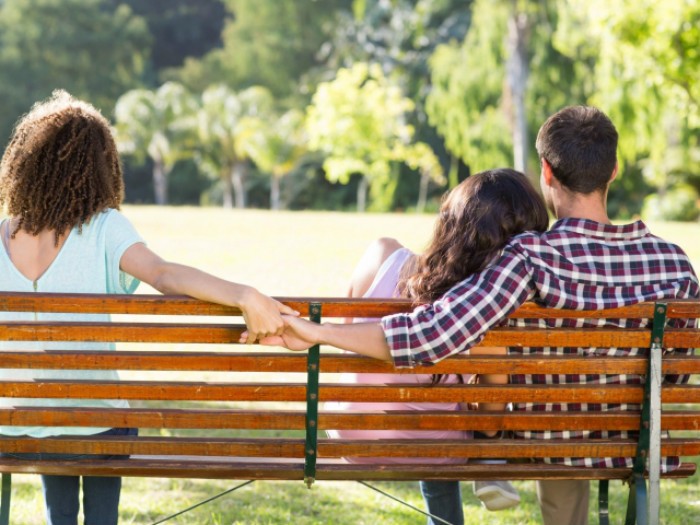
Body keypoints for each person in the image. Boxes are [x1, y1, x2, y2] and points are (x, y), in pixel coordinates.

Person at [254, 106, 700, 525]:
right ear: (614, 171)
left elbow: (431, 334)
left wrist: (319, 331)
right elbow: (678, 371)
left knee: (554, 424)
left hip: (549, 440)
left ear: (547, 172)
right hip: (636, 443)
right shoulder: (674, 264)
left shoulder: (529, 257)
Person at [0, 90, 297, 525]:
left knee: (54, 430)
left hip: (15, 430)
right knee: (88, 423)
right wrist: (243, 294)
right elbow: (163, 274)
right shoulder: (103, 228)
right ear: (98, 168)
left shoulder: (4, 234)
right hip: (94, 429)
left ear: (28, 163)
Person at [328, 169, 549, 523]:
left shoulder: (381, 253)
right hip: (434, 448)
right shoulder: (484, 310)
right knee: (443, 422)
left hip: (350, 431)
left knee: (434, 416)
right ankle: (482, 474)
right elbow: (491, 419)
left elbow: (345, 344)